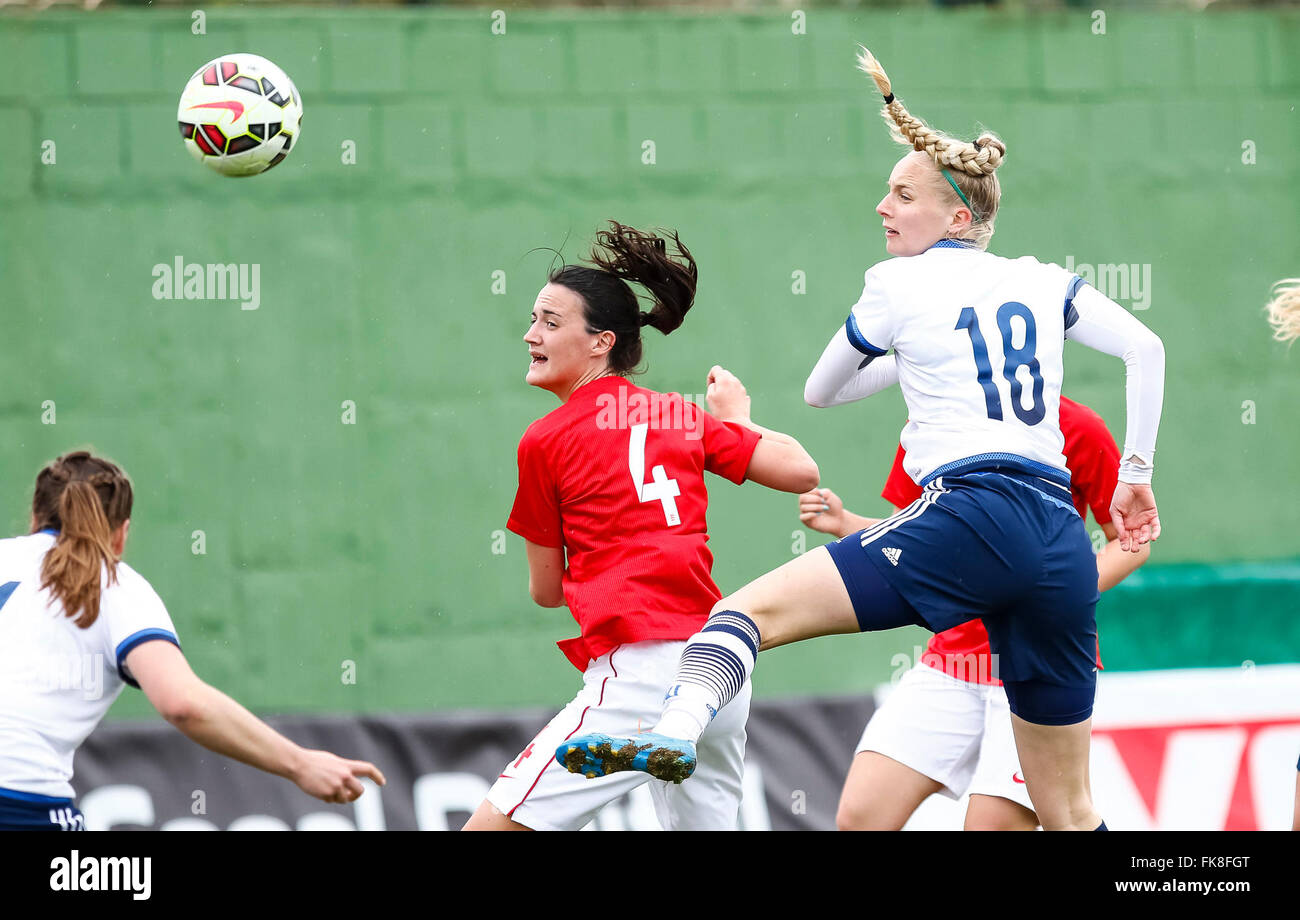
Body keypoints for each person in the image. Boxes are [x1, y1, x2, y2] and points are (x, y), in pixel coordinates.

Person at [559, 48, 1164, 831]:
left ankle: (669, 729)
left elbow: (821, 390)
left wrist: (901, 346)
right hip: (1057, 543)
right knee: (1072, 812)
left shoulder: (898, 284)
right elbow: (1145, 350)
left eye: (902, 194)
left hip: (974, 513)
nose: (882, 206)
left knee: (742, 617)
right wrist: (1137, 471)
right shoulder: (1044, 280)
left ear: (956, 216)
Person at [462, 222, 819, 831]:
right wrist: (740, 419)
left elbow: (546, 593)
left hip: (642, 673)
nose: (531, 335)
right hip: (717, 670)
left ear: (601, 341)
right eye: (533, 320)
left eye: (551, 322)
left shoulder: (544, 440)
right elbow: (801, 471)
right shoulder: (679, 414)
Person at [798, 393, 1149, 830]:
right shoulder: (930, 420)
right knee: (861, 817)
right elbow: (911, 539)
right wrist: (846, 521)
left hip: (1038, 660)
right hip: (953, 660)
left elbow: (1133, 538)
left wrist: (1060, 591)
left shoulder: (1078, 426)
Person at [0, 450, 385, 831]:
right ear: (121, 536)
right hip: (19, 806)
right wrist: (301, 764)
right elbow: (183, 703)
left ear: (35, 517)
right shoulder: (116, 586)